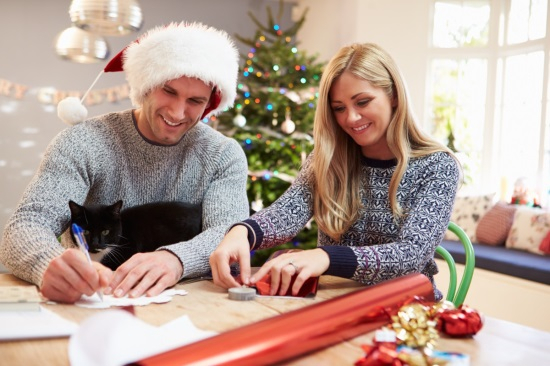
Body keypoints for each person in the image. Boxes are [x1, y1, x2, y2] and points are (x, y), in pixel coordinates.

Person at [0, 22, 249, 303]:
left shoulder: (223, 155)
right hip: (95, 301)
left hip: (194, 303)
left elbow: (229, 236)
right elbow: (26, 224)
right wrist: (46, 264)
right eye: (168, 91)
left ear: (210, 103)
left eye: (195, 100)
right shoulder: (83, 142)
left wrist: (175, 259)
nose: (178, 112)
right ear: (145, 85)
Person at [210, 43, 461, 300]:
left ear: (394, 95)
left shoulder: (438, 166)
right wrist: (243, 232)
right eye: (339, 108)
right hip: (335, 302)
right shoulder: (326, 159)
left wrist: (327, 256)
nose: (351, 118)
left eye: (362, 102)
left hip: (408, 309)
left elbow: (412, 254)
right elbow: (287, 212)